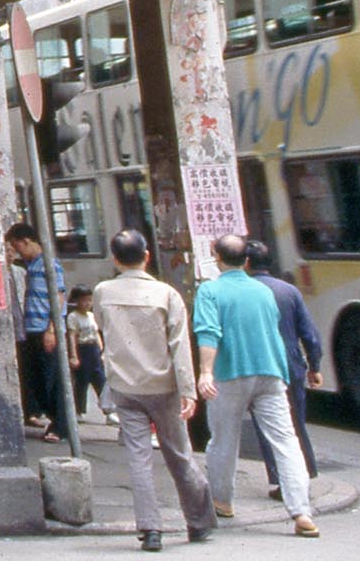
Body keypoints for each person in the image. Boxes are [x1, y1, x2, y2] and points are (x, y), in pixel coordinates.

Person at [91, 229, 214, 553]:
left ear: (115, 259)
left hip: (124, 386)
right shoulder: (167, 294)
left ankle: (150, 530)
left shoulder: (103, 292)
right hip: (164, 386)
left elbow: (102, 328)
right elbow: (179, 346)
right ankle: (198, 521)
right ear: (146, 256)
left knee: (139, 458)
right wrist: (189, 389)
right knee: (178, 453)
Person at [194, 234, 320, 539]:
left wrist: (205, 372)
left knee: (224, 439)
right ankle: (302, 511)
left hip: (230, 374)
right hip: (270, 374)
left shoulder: (209, 291)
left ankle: (222, 501)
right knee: (286, 442)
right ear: (247, 261)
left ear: (215, 257)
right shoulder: (263, 291)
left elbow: (208, 332)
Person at [244, 246, 323, 499]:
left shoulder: (246, 293)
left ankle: (281, 480)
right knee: (295, 421)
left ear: (246, 263)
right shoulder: (289, 290)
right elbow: (309, 333)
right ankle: (304, 473)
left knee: (268, 424)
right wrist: (315, 366)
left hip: (261, 363)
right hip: (291, 362)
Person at [7, 223, 63, 440]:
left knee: (51, 379)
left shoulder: (49, 264)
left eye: (17, 246)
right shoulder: (33, 266)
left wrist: (52, 329)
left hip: (44, 329)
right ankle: (51, 419)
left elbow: (58, 297)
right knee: (36, 378)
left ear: (26, 241)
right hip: (31, 329)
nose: (17, 251)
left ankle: (59, 426)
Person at [66, 285, 110, 421]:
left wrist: (102, 351)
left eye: (90, 300)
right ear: (76, 301)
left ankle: (108, 411)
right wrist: (73, 356)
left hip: (94, 350)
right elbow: (72, 336)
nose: (87, 303)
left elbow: (96, 333)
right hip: (82, 349)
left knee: (101, 381)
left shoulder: (92, 316)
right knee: (82, 381)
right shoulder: (73, 317)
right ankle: (79, 411)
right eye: (84, 300)